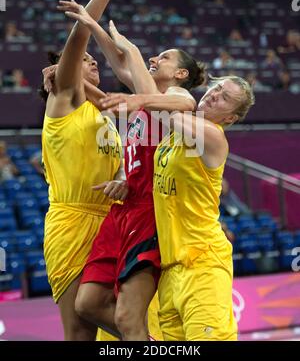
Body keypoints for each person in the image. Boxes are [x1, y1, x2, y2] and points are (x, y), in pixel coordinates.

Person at [55, 1, 206, 340]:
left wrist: (133, 54)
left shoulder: (172, 94)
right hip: (124, 208)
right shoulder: (146, 94)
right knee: (88, 303)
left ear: (181, 73)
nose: (155, 60)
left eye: (164, 57)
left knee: (126, 317)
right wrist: (92, 26)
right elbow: (122, 65)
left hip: (151, 211)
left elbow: (187, 103)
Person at [105, 75, 255, 340]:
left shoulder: (212, 137)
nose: (214, 94)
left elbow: (169, 113)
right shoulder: (176, 137)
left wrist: (141, 98)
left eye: (225, 98)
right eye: (216, 88)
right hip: (169, 269)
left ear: (230, 117)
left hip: (202, 264)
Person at [41, 0, 138, 341]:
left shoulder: (106, 118)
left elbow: (117, 164)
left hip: (112, 221)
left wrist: (120, 177)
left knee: (118, 327)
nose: (92, 62)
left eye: (95, 61)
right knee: (79, 331)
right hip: (73, 221)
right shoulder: (63, 99)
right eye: (85, 61)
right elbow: (80, 36)